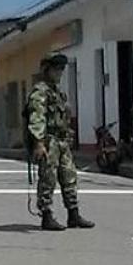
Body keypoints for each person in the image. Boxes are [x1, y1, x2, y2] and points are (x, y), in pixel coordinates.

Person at [25, 52, 94, 231]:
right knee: (48, 178)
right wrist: (39, 142)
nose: (59, 73)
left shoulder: (57, 92)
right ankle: (46, 216)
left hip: (62, 141)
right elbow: (37, 117)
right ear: (47, 70)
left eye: (61, 69)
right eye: (56, 69)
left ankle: (73, 214)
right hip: (49, 141)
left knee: (69, 176)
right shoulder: (40, 92)